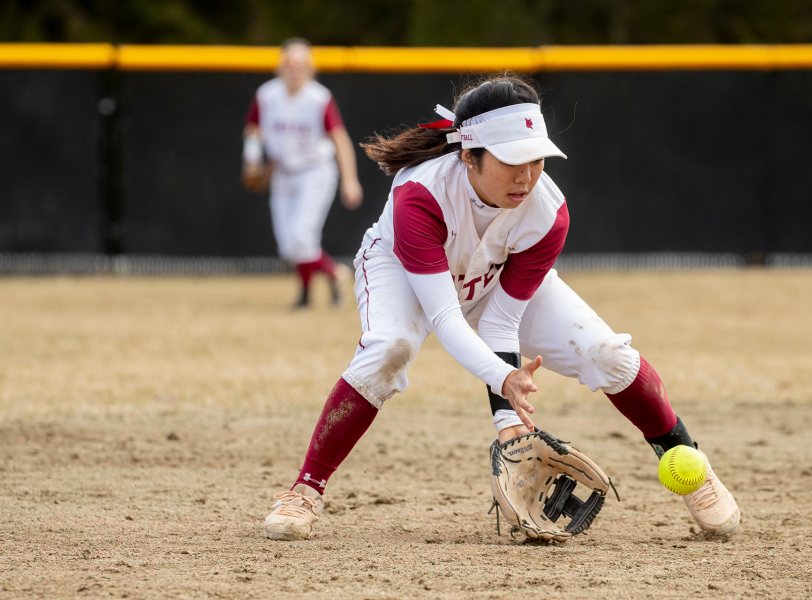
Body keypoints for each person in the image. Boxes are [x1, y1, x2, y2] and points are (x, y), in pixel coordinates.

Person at [263, 74, 741, 541]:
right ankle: (305, 489)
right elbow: (448, 318)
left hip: (491, 278)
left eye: (537, 159)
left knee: (604, 352)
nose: (527, 175)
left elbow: (501, 319)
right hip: (403, 272)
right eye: (513, 160)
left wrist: (507, 422)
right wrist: (504, 384)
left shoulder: (547, 211)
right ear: (468, 155)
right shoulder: (421, 196)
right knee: (390, 347)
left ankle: (692, 469)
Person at [242, 38, 363, 309]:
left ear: (311, 69)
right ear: (279, 67)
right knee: (289, 245)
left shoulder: (318, 98)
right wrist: (251, 160)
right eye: (289, 63)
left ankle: (310, 292)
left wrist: (350, 180)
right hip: (282, 173)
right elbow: (253, 130)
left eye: (301, 64)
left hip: (314, 172)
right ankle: (331, 275)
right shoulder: (267, 95)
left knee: (301, 237)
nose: (295, 69)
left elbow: (340, 140)